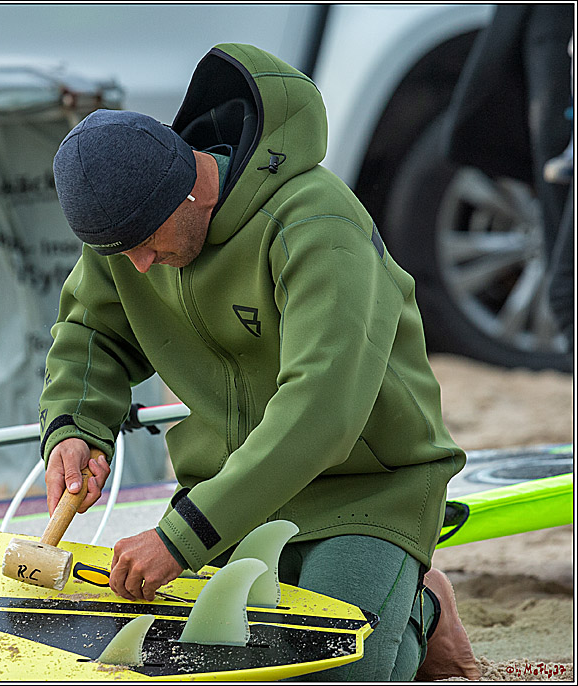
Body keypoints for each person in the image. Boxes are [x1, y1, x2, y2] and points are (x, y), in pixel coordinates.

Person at [38, 43, 481, 680]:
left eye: (144, 244)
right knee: (189, 666)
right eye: (119, 252)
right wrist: (75, 428)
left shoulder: (317, 223)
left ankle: (423, 605)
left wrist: (181, 538)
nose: (138, 265)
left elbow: (322, 410)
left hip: (364, 489)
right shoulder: (132, 228)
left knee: (331, 672)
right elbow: (91, 333)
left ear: (193, 189)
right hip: (226, 492)